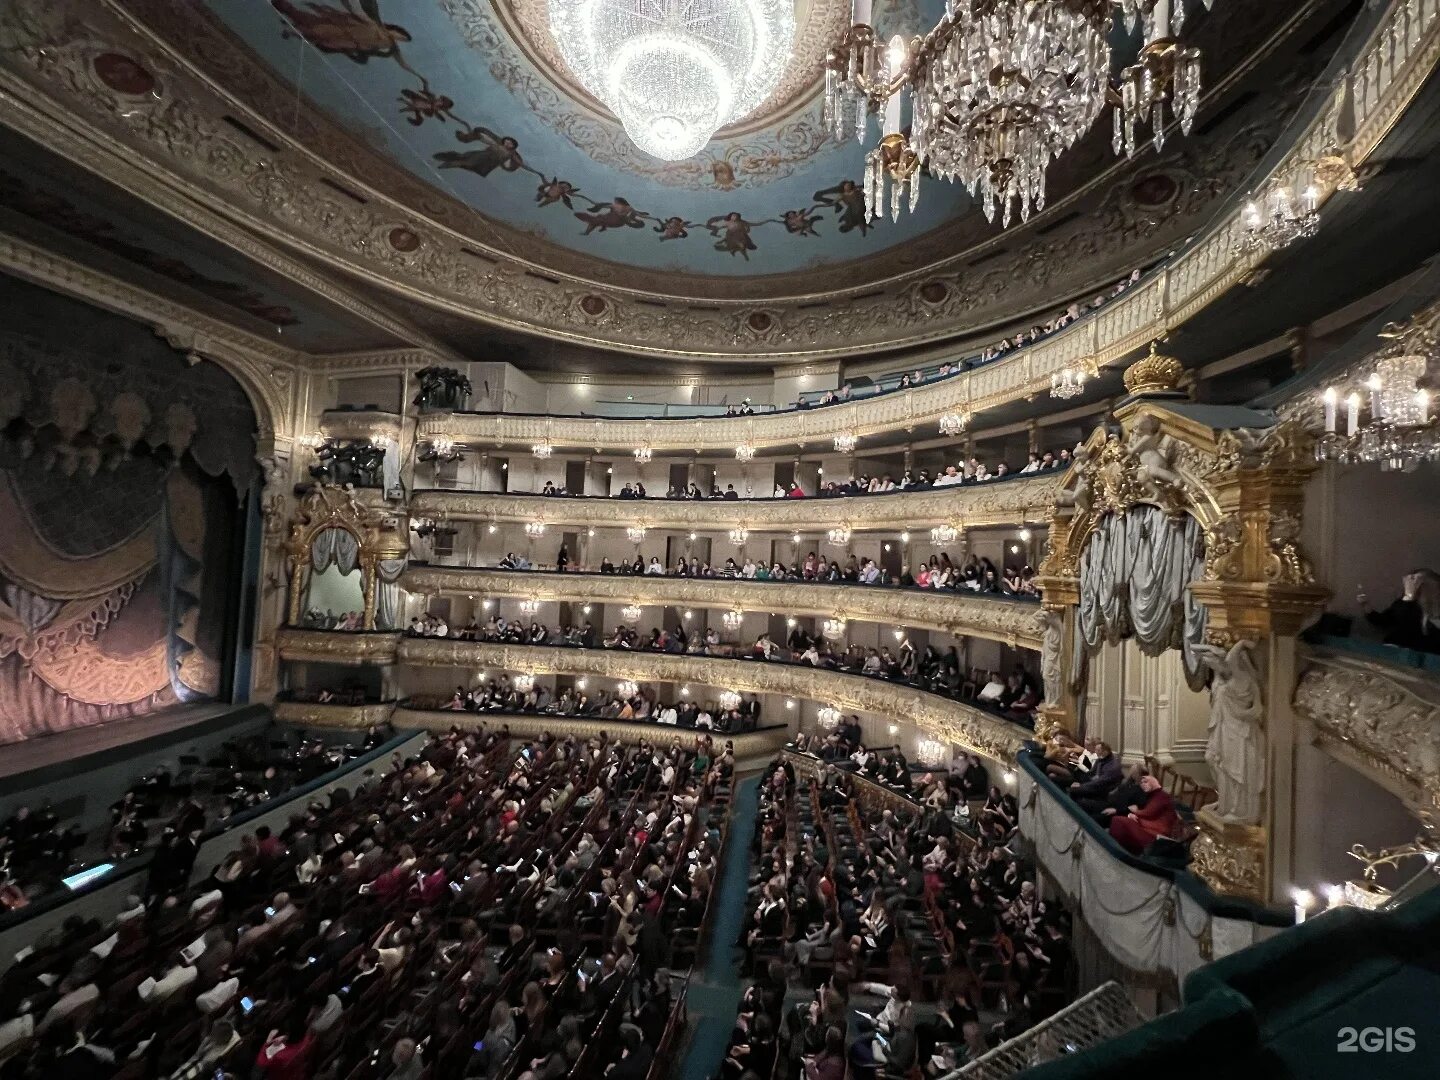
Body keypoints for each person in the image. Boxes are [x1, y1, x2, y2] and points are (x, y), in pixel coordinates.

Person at [1363, 569, 1440, 653]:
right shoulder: (1403, 602)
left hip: (1418, 654)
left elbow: (1414, 628)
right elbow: (1384, 620)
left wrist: (1409, 596)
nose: (1411, 583)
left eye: (1415, 580)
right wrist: (1366, 606)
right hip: (1394, 649)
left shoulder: (1433, 608)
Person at [1107, 774, 1181, 855]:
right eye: (1141, 783)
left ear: (1154, 782)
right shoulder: (1153, 795)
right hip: (1149, 827)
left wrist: (1134, 812)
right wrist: (1133, 814)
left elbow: (1148, 813)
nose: (1143, 784)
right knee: (1120, 821)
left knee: (1118, 821)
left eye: (1146, 781)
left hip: (1156, 835)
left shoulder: (1162, 796)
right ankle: (1122, 850)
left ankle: (1115, 851)